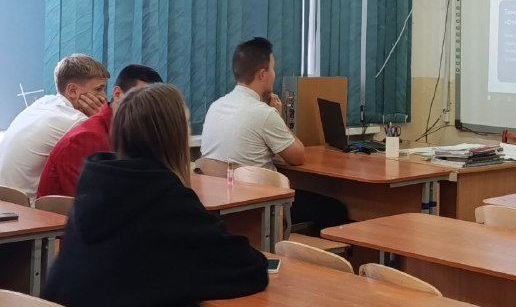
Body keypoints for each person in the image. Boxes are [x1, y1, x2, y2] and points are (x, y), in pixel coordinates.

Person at [42, 84, 268, 307]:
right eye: (186, 124)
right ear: (173, 137)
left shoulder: (95, 187)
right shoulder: (166, 199)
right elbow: (251, 268)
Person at [202, 36, 348, 234]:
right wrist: (278, 117)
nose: (274, 74)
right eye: (273, 69)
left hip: (224, 205)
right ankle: (305, 253)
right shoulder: (264, 113)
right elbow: (298, 156)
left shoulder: (215, 107)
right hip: (261, 205)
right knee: (335, 209)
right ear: (262, 74)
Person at [37, 63, 163, 198]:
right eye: (140, 99)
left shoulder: (131, 131)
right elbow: (92, 202)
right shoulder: (86, 137)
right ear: (117, 94)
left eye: (153, 103)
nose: (147, 108)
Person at [0, 54, 109, 201]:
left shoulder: (44, 102)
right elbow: (110, 161)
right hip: (25, 209)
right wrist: (101, 117)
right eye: (99, 89)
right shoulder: (75, 121)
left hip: (5, 203)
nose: (104, 97)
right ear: (72, 91)